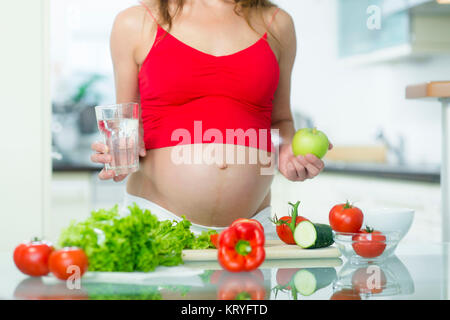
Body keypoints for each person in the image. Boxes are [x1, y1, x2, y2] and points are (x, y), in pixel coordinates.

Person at [90, 0, 331, 238]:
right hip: (158, 223)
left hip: (250, 229)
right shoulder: (134, 22)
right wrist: (123, 150)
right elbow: (127, 123)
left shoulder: (278, 23)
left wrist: (287, 152)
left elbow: (280, 121)